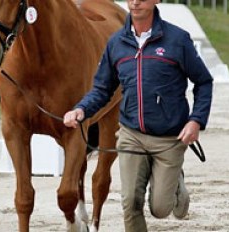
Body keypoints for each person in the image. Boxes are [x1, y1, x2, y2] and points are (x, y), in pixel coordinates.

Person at [63, 0, 213, 231]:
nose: (135, 2)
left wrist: (196, 120)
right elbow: (103, 89)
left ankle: (174, 182)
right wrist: (81, 109)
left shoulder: (177, 39)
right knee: (131, 203)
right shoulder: (116, 43)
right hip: (131, 135)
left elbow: (203, 81)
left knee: (160, 209)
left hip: (168, 139)